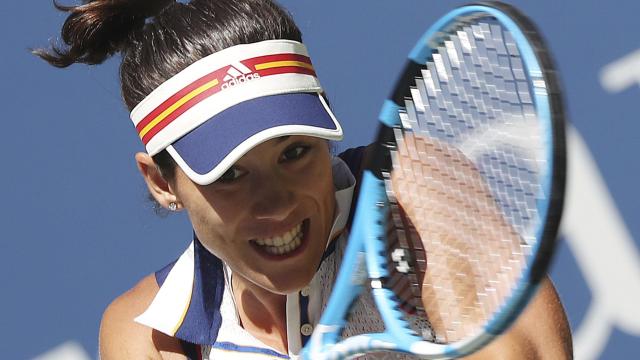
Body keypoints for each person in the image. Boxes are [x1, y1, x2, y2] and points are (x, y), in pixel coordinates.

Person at [36, 0, 572, 358]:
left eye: (295, 152)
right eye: (231, 174)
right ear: (161, 182)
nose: (278, 203)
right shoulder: (147, 336)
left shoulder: (409, 193)